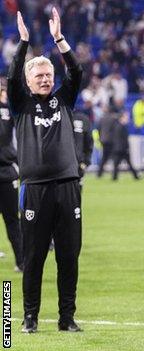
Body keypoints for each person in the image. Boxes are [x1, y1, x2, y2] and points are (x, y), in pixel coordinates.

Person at [8, 9, 85, 333]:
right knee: (34, 258)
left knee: (69, 258)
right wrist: (25, 41)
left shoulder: (64, 99)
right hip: (35, 190)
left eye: (47, 74)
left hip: (68, 186)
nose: (44, 78)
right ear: (28, 81)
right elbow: (11, 76)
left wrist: (59, 39)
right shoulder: (20, 104)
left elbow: (76, 71)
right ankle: (29, 318)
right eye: (38, 75)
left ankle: (67, 319)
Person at [0, 85, 23, 272]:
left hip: (7, 173)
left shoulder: (8, 111)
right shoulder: (8, 111)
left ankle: (21, 260)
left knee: (12, 221)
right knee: (12, 221)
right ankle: (21, 261)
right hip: (8, 172)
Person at [111, 111, 141, 181]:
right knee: (127, 164)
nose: (127, 119)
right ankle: (135, 176)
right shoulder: (121, 127)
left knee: (117, 164)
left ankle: (115, 177)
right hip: (122, 149)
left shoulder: (118, 126)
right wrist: (126, 148)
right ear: (122, 118)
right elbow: (122, 140)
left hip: (118, 148)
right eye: (126, 117)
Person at [72, 109, 93, 189]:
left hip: (64, 160)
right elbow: (89, 141)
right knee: (78, 183)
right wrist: (86, 160)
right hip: (78, 159)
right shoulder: (84, 119)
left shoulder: (63, 116)